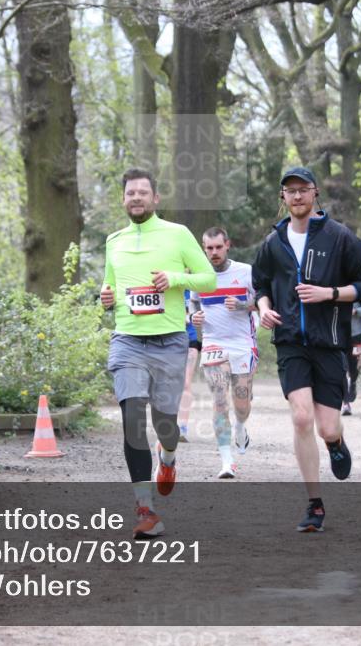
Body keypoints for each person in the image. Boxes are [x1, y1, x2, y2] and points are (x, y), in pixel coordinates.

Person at [251, 166, 361, 532]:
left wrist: (329, 294)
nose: (297, 196)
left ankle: (336, 442)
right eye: (290, 191)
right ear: (283, 198)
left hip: (330, 343)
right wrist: (263, 308)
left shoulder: (339, 237)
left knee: (326, 427)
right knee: (301, 418)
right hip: (290, 342)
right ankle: (314, 504)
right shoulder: (273, 243)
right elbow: (260, 284)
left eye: (303, 189)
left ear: (315, 193)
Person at [101, 168, 216, 539]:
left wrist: (176, 279)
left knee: (164, 423)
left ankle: (168, 458)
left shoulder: (177, 235)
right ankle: (145, 509)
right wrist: (106, 297)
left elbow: (208, 278)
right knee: (132, 416)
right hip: (128, 341)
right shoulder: (114, 241)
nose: (136, 198)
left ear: (155, 199)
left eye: (142, 193)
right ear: (124, 200)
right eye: (130, 193)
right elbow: (111, 286)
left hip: (169, 341)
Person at [190, 227, 257, 479]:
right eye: (209, 248)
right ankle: (227, 461)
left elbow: (261, 301)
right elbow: (194, 302)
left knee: (242, 404)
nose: (214, 252)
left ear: (227, 245)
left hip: (242, 344)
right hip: (213, 343)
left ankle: (240, 427)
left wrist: (243, 305)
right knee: (219, 400)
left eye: (218, 247)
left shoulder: (246, 272)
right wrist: (193, 315)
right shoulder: (200, 275)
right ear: (204, 248)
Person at [177, 290, 201, 443]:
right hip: (168, 339)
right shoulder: (167, 285)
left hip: (190, 340)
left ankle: (182, 427)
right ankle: (168, 423)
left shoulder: (193, 289)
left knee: (185, 383)